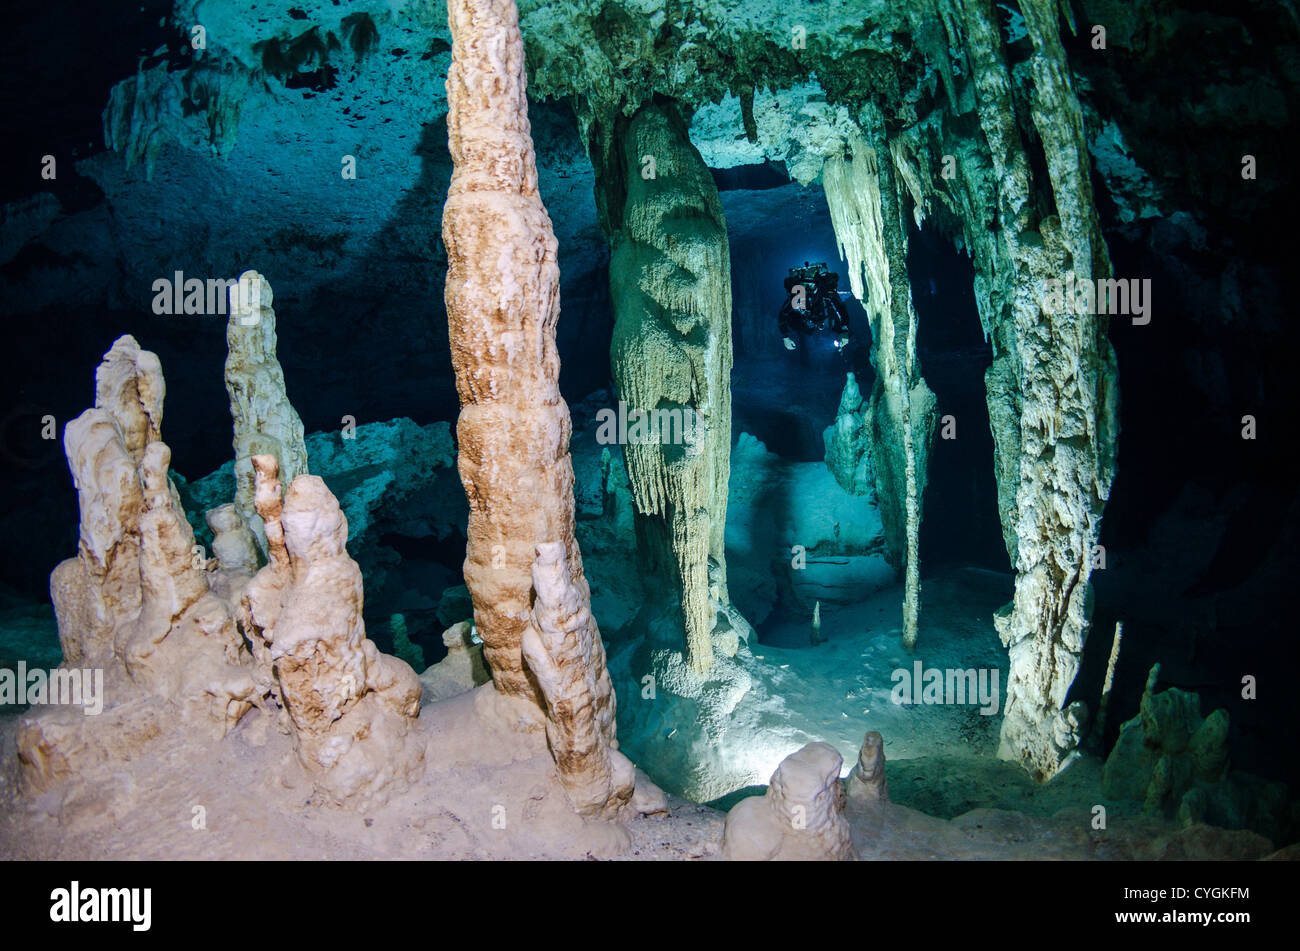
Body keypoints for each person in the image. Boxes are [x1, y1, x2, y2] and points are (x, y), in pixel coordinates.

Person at [779, 262, 851, 351]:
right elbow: (783, 314)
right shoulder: (799, 294)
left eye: (811, 285)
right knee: (799, 326)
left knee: (831, 320)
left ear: (817, 284)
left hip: (820, 316)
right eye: (805, 286)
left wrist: (844, 330)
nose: (808, 289)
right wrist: (785, 337)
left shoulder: (824, 293)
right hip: (807, 321)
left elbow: (841, 309)